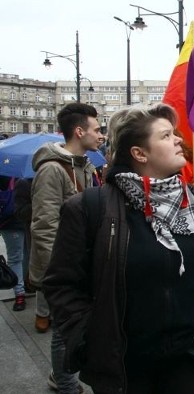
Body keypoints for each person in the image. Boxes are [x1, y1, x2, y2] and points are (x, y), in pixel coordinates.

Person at [42, 104, 194, 394]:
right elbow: (61, 284)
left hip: (190, 358)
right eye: (166, 136)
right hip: (127, 363)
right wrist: (89, 338)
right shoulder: (91, 208)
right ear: (139, 154)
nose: (179, 140)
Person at [31, 102, 104, 393]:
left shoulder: (85, 166)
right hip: (63, 267)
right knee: (62, 330)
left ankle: (59, 375)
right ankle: (64, 383)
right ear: (78, 131)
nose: (101, 135)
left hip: (79, 262)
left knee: (71, 326)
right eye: (96, 129)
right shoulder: (52, 170)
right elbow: (44, 225)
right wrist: (57, 275)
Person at [0, 176, 27, 311]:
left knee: (18, 256)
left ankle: (22, 289)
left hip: (9, 222)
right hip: (16, 221)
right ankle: (20, 293)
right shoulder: (23, 175)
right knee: (17, 257)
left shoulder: (6, 170)